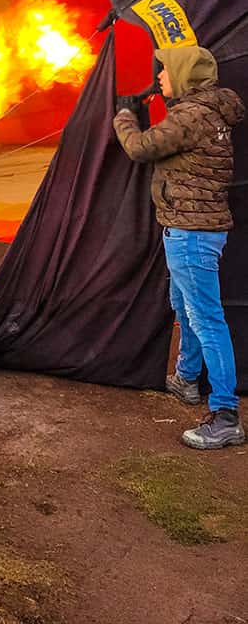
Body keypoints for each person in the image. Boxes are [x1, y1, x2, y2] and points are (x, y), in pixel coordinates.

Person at [114, 45, 245, 449]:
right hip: (193, 230)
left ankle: (226, 416)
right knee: (185, 306)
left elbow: (139, 147)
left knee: (206, 318)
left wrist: (123, 115)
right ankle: (188, 378)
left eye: (165, 70)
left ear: (185, 76)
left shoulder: (191, 116)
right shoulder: (210, 113)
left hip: (191, 233)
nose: (159, 77)